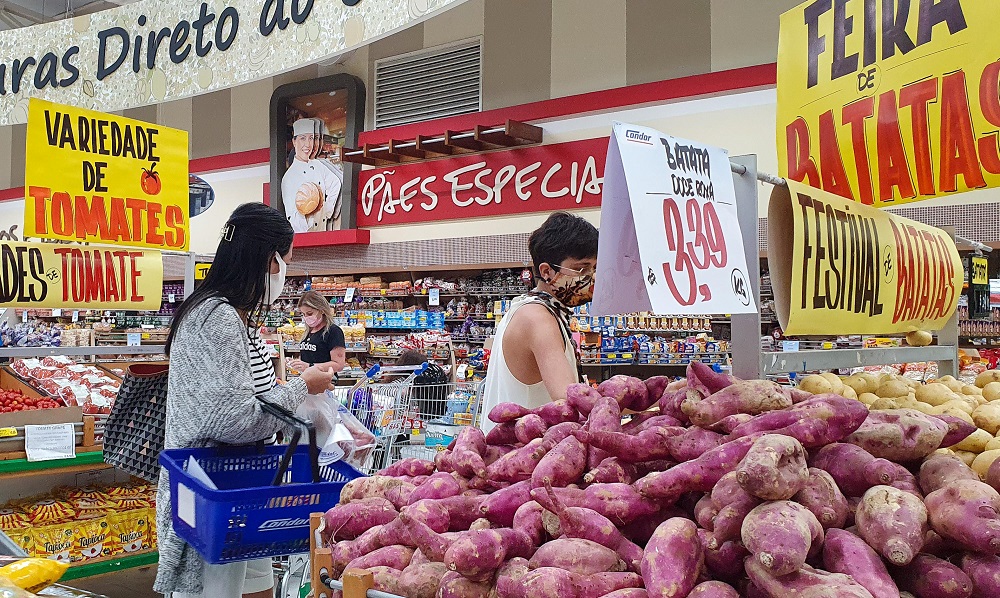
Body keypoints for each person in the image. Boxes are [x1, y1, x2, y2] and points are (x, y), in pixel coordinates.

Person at [154, 203, 336, 598]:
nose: (285, 274)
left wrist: (291, 395)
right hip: (211, 494)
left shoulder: (232, 315)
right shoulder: (216, 318)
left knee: (257, 586)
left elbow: (247, 400)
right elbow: (234, 419)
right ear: (269, 260)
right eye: (286, 262)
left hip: (241, 490)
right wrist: (301, 388)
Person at [480, 212, 598, 433]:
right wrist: (648, 398)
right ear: (547, 271)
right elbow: (573, 405)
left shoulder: (534, 309)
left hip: (525, 446)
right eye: (581, 269)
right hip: (522, 451)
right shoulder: (538, 319)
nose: (591, 277)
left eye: (594, 268)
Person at [281, 117, 342, 233]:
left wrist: (327, 210)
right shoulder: (289, 177)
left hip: (323, 231)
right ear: (294, 142)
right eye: (303, 138)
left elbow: (335, 183)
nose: (307, 144)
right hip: (306, 234)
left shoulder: (318, 165)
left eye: (311, 138)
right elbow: (292, 216)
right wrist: (308, 227)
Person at [287, 290, 348, 374]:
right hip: (306, 379)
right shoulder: (308, 331)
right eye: (303, 314)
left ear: (321, 310)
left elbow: (338, 365)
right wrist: (296, 363)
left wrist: (309, 366)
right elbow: (311, 356)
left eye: (309, 313)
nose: (306, 317)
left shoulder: (333, 331)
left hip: (325, 379)